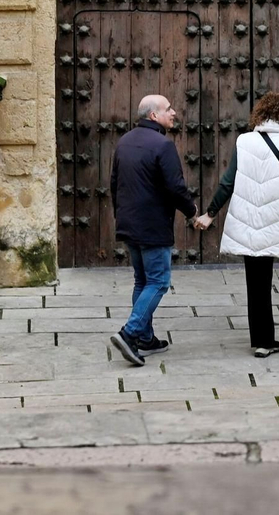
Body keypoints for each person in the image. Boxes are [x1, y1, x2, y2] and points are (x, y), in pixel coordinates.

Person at [193, 91, 279, 357]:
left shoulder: (244, 141)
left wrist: (210, 214)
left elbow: (228, 181)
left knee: (257, 281)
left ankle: (263, 341)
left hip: (252, 220)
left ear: (259, 115)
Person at [108, 93, 196, 367]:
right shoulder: (162, 145)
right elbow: (175, 187)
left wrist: (121, 216)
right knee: (158, 281)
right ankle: (130, 333)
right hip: (153, 226)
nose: (174, 113)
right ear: (153, 116)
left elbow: (114, 184)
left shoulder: (124, 142)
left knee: (141, 281)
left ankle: (145, 338)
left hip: (130, 223)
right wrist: (192, 212)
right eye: (168, 109)